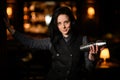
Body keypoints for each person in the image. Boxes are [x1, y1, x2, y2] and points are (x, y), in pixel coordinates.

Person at [4, 6, 100, 80]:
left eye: (66, 22)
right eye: (59, 23)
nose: (63, 26)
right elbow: (31, 43)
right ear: (56, 25)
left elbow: (89, 70)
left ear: (72, 22)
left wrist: (92, 58)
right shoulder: (52, 41)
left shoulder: (83, 40)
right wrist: (12, 31)